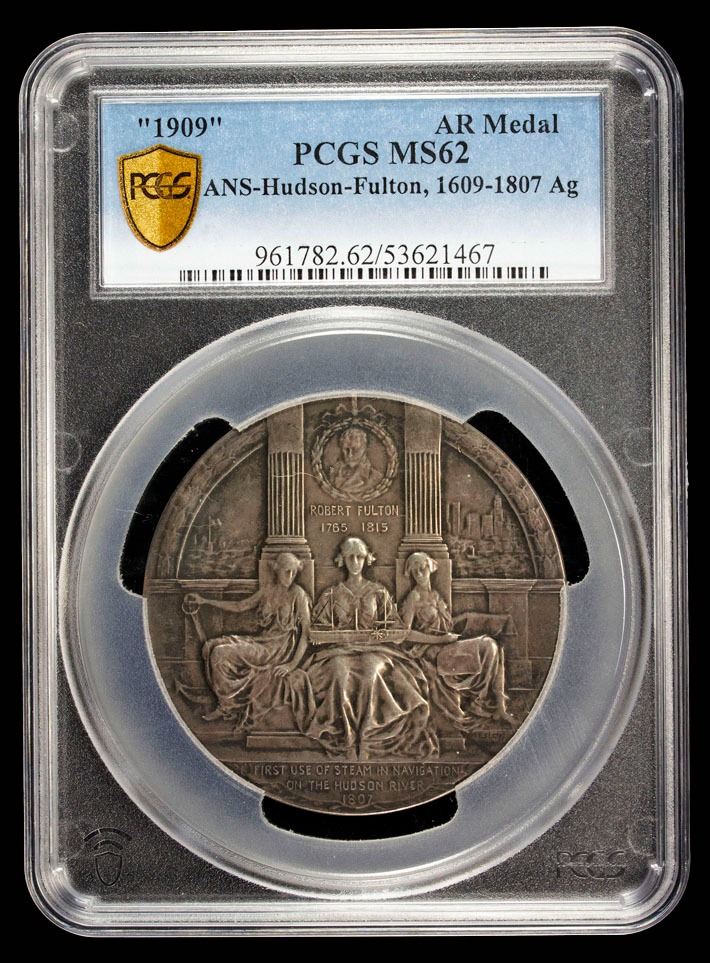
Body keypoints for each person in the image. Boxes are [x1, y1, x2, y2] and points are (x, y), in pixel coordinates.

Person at [304, 537, 437, 760]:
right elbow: (315, 629)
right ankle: (346, 738)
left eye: (360, 557)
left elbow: (397, 629)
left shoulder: (379, 592)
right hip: (339, 651)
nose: (355, 562)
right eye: (350, 557)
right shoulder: (332, 594)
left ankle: (367, 737)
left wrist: (383, 634)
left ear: (367, 559)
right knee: (339, 674)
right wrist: (331, 636)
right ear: (342, 559)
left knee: (372, 673)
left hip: (375, 650)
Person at [186, 552, 313, 730]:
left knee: (220, 653)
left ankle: (227, 706)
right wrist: (205, 601)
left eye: (294, 572)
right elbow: (240, 606)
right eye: (286, 571)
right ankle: (228, 700)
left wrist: (291, 665)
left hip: (275, 651)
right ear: (277, 570)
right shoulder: (268, 590)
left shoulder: (299, 594)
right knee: (210, 646)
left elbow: (307, 634)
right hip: (261, 642)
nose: (290, 576)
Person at [400, 552, 517, 729]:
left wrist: (465, 618)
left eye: (422, 568)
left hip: (447, 643)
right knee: (488, 646)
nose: (419, 574)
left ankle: (499, 705)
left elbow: (445, 625)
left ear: (430, 568)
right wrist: (440, 639)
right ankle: (479, 701)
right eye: (414, 571)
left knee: (492, 645)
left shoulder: (435, 595)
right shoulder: (413, 597)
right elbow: (406, 634)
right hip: (432, 650)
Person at [327, 427, 383, 497]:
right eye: (346, 450)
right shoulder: (331, 474)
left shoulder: (375, 477)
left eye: (355, 450)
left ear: (364, 449)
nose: (350, 455)